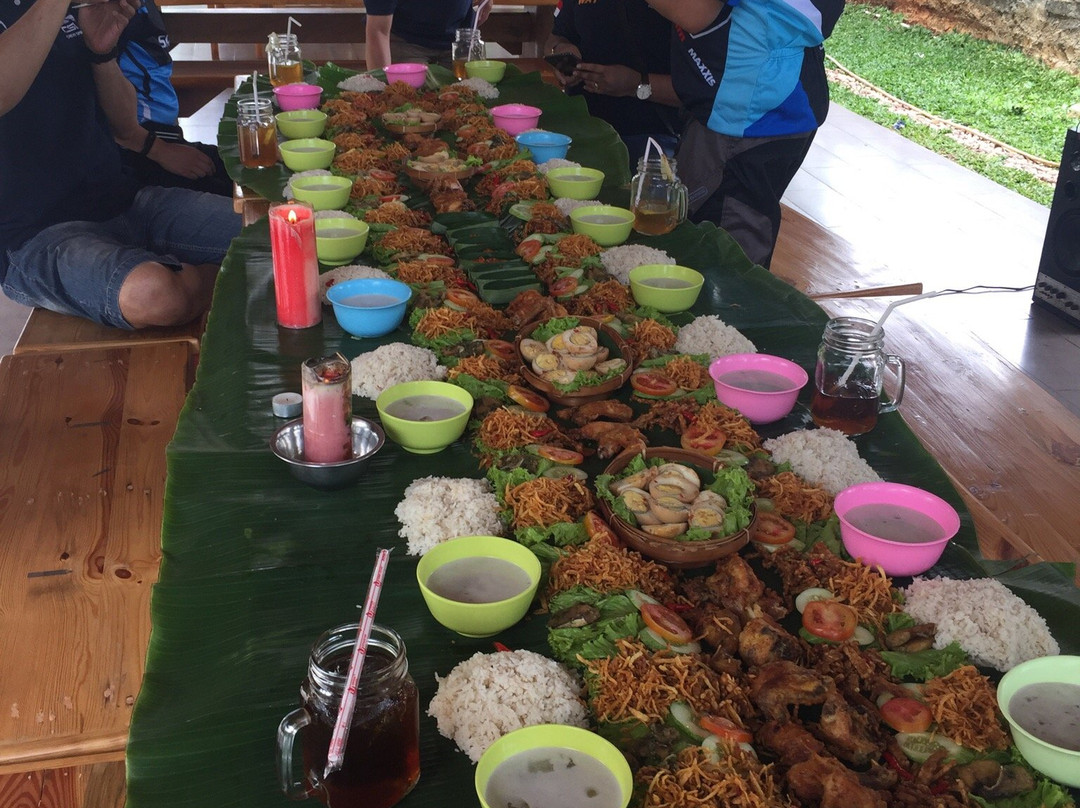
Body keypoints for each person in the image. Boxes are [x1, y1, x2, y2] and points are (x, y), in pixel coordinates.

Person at [0, 0, 241, 329]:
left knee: (292, 239)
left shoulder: (68, 10)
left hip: (127, 201)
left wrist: (101, 54)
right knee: (155, 294)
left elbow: (126, 128)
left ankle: (215, 275)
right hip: (35, 236)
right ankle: (228, 276)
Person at [645, 0, 845, 269]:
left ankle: (728, 308)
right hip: (769, 102)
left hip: (747, 115)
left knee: (725, 252)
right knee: (727, 227)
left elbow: (691, 11)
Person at [545, 0, 682, 170]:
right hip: (581, 132)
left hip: (652, 139)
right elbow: (556, 36)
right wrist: (561, 52)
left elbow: (703, 90)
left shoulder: (691, 10)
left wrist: (635, 84)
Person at [116, 0, 232, 196]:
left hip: (167, 138)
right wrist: (160, 150)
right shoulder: (109, 10)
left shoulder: (144, 6)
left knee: (251, 169)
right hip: (142, 150)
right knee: (239, 197)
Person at [364, 0, 491, 72]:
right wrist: (381, 89)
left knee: (468, 103)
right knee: (408, 104)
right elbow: (378, 31)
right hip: (406, 41)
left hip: (460, 38)